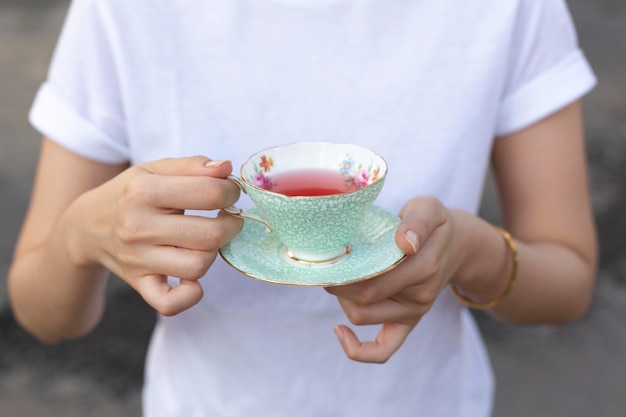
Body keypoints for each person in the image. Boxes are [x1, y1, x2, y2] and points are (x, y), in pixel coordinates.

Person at [8, 0, 598, 416]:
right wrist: (81, 237)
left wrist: (470, 251)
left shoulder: (511, 8)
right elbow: (41, 311)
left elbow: (568, 280)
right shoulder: (124, 11)